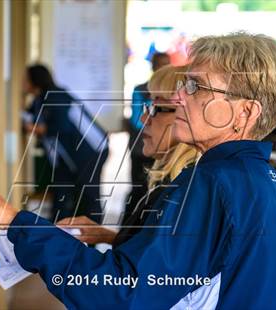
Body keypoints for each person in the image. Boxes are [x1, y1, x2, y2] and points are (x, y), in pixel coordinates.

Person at [0, 32, 276, 309]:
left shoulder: (214, 185)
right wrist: (115, 240)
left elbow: (120, 294)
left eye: (196, 87)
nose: (180, 96)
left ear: (245, 113)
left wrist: (15, 221)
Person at [57, 65, 199, 248]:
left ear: (187, 117)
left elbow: (143, 272)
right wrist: (106, 236)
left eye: (157, 108)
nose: (143, 119)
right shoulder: (171, 182)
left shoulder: (184, 191)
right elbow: (147, 252)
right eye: (147, 106)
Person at [21, 64, 109, 223]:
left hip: (91, 150)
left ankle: (93, 239)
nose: (22, 83)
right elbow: (29, 116)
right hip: (67, 157)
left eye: (25, 79)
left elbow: (62, 126)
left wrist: (36, 128)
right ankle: (62, 232)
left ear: (35, 80)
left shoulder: (55, 95)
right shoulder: (39, 99)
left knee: (88, 194)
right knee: (62, 195)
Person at [125, 52, 170, 222]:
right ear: (153, 67)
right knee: (139, 190)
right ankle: (126, 229)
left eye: (167, 64)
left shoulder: (175, 91)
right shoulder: (140, 90)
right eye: (160, 64)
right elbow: (138, 119)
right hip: (141, 149)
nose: (164, 68)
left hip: (163, 150)